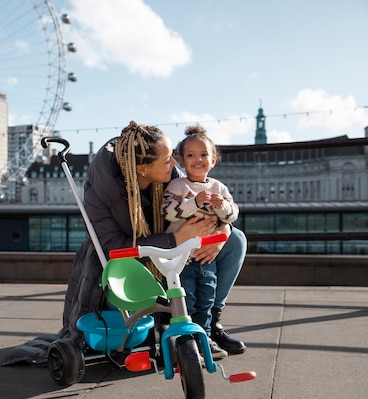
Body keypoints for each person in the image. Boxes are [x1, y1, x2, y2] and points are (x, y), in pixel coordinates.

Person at [59, 121, 247, 357]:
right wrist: (177, 237)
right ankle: (169, 324)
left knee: (236, 239)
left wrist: (222, 233)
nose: (175, 164)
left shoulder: (172, 178)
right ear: (142, 168)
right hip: (121, 272)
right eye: (168, 160)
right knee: (129, 327)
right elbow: (112, 247)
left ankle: (209, 325)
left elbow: (208, 209)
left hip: (171, 259)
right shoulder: (103, 189)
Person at [162, 124, 242, 358]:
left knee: (206, 299)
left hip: (207, 257)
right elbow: (168, 212)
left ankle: (205, 338)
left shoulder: (219, 187)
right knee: (188, 300)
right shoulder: (178, 186)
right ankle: (187, 342)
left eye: (204, 154)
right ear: (181, 161)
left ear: (214, 160)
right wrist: (194, 203)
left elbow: (232, 214)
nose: (198, 160)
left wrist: (222, 207)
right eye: (191, 155)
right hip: (182, 258)